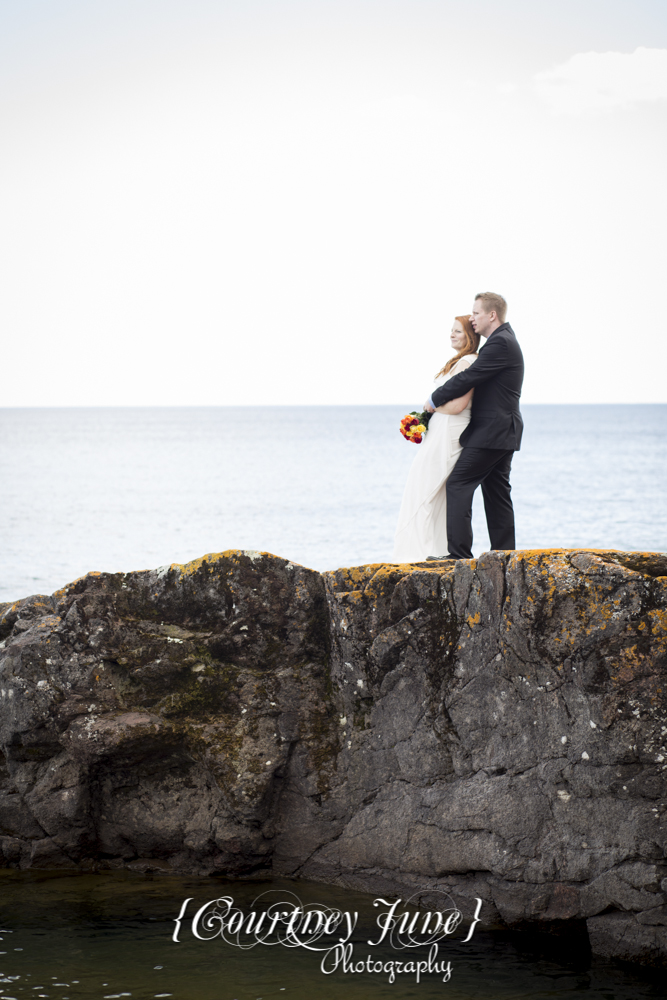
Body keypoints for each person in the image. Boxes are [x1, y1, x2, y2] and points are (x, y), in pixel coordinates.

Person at [424, 291, 524, 560]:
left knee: (458, 484)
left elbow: (470, 377)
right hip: (504, 430)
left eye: (476, 312)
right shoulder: (504, 340)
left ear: (492, 315)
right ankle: (504, 557)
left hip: (493, 431)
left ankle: (459, 556)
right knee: (496, 492)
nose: (472, 317)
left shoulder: (500, 343)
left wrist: (435, 398)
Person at [393, 316, 480, 562]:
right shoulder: (457, 361)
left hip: (449, 433)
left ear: (470, 336)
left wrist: (429, 409)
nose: (451, 335)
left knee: (427, 487)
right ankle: (428, 550)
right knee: (426, 487)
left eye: (457, 332)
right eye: (451, 331)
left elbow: (459, 406)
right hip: (440, 431)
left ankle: (422, 551)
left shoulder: (468, 361)